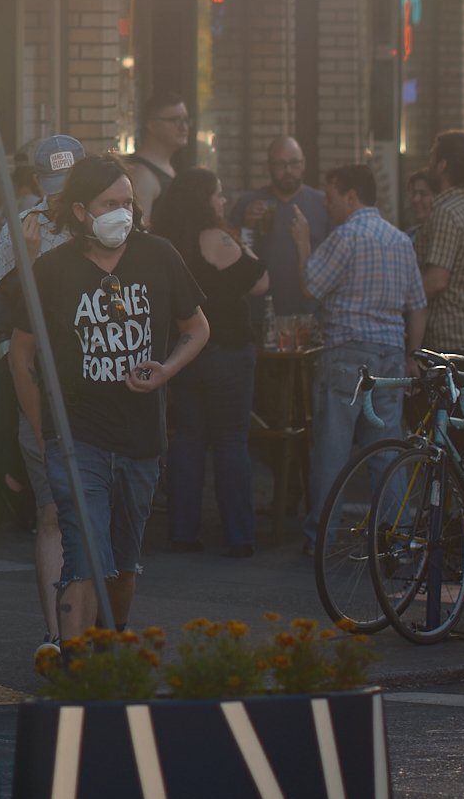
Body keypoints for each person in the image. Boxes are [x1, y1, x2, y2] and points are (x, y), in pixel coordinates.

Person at [6, 154, 210, 638]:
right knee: (85, 555)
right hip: (78, 439)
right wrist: (44, 432)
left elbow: (197, 327)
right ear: (80, 211)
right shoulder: (53, 270)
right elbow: (20, 354)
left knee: (122, 562)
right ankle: (73, 671)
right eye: (110, 203)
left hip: (140, 438)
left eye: (128, 202)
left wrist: (166, 370)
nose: (123, 212)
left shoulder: (159, 256)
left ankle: (109, 646)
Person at [295, 164, 427, 544]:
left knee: (332, 450)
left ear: (350, 196)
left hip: (348, 354)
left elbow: (310, 287)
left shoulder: (346, 236)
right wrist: (412, 355)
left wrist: (302, 242)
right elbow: (417, 305)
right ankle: (396, 534)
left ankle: (321, 536)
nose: (325, 202)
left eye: (331, 195)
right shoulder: (401, 240)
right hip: (389, 355)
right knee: (386, 448)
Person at [0, 132, 84, 647]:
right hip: (41, 382)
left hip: (100, 382)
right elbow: (3, 318)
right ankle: (56, 635)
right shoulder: (21, 229)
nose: (58, 197)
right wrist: (27, 258)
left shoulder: (109, 223)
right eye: (51, 186)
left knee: (98, 514)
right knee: (51, 512)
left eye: (67, 186)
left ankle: (91, 628)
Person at [151, 167, 268, 557]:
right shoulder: (216, 237)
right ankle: (238, 536)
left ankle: (183, 532)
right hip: (228, 351)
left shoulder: (166, 242)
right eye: (218, 194)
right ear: (204, 199)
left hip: (183, 351)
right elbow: (260, 278)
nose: (223, 201)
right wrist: (235, 233)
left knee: (188, 438)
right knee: (230, 440)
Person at [416, 129, 464, 366]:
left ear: (442, 165)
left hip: (449, 342)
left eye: (432, 159)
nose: (429, 165)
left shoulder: (446, 213)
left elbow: (436, 281)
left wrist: (397, 300)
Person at [232, 135, 330, 319]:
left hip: (310, 317)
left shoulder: (323, 204)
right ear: (268, 166)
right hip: (259, 315)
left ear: (304, 164)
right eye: (280, 165)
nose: (288, 171)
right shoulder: (248, 203)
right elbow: (231, 263)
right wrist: (247, 226)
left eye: (294, 163)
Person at [125, 93, 191, 226]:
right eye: (174, 120)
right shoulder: (143, 175)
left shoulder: (166, 167)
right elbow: (139, 232)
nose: (184, 127)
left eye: (186, 120)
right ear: (152, 125)